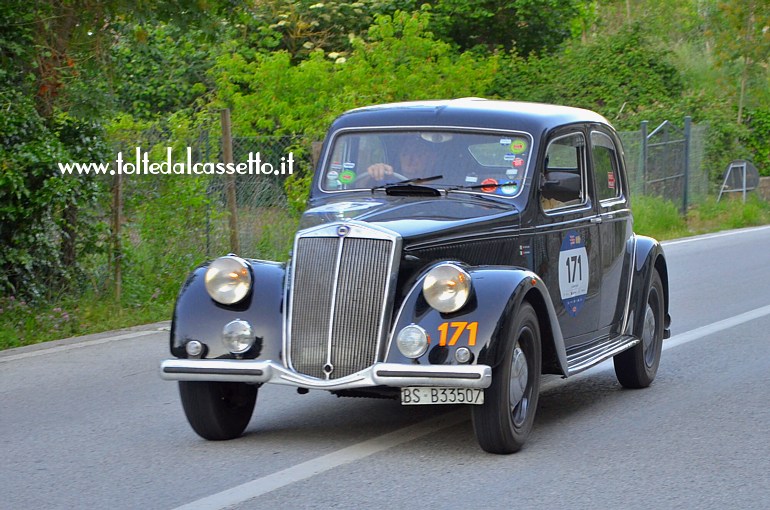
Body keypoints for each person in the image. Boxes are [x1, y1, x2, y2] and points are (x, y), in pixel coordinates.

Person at [366, 135, 439, 181]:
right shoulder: (388, 183)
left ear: (432, 158)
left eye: (418, 154)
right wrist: (376, 172)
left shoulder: (444, 186)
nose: (409, 160)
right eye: (405, 153)